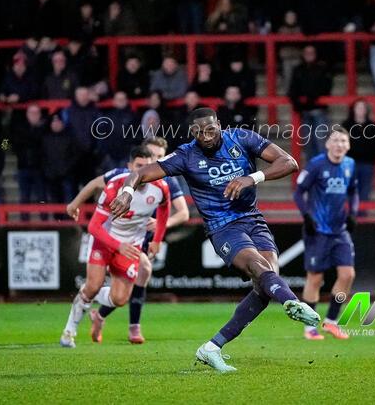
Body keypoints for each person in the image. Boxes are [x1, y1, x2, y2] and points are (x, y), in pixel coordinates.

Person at [109, 108, 319, 373]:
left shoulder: (241, 138)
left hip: (253, 219)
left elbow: (289, 162)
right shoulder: (186, 155)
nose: (206, 136)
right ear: (192, 132)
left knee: (266, 286)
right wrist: (127, 192)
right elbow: (140, 173)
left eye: (210, 129)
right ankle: (292, 302)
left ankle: (211, 348)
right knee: (258, 267)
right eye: (199, 132)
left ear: (219, 124)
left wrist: (251, 178)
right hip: (222, 227)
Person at [67, 136, 190, 344]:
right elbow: (94, 184)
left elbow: (183, 213)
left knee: (126, 290)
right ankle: (133, 326)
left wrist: (162, 226)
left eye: (160, 156)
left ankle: (102, 315)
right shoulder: (122, 176)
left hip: (142, 238)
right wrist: (75, 203)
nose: (155, 160)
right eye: (152, 155)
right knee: (144, 270)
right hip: (118, 238)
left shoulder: (167, 179)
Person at [293, 128, 358, 341]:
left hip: (340, 230)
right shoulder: (316, 164)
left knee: (348, 275)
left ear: (348, 145)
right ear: (328, 144)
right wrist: (306, 217)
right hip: (318, 230)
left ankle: (331, 322)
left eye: (343, 141)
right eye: (335, 141)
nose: (339, 145)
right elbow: (298, 192)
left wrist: (353, 213)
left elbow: (353, 191)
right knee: (315, 278)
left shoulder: (350, 164)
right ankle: (309, 327)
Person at [288, 45, 333, 161]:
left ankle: (323, 169)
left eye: (311, 52)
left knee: (321, 142)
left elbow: (326, 88)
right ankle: (312, 169)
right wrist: (298, 104)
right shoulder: (298, 70)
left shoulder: (322, 69)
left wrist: (310, 97)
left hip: (319, 111)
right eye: (307, 52)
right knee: (308, 144)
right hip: (304, 112)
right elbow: (293, 89)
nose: (309, 55)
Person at [342, 99, 375, 202]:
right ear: (353, 109)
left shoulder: (372, 126)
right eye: (358, 107)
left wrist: (372, 159)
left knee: (364, 193)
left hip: (367, 164)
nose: (361, 110)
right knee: (350, 193)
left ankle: (362, 212)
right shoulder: (346, 125)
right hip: (349, 164)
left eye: (363, 108)